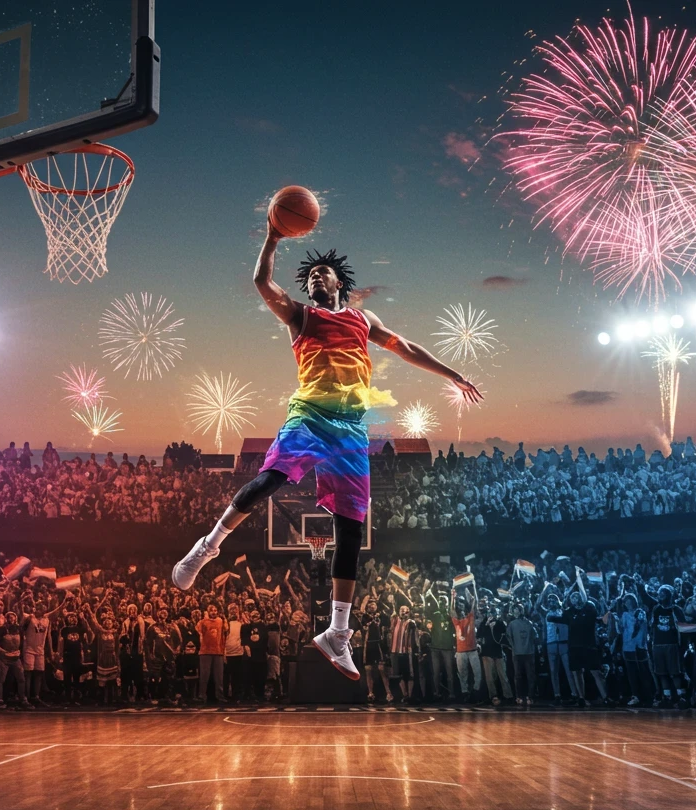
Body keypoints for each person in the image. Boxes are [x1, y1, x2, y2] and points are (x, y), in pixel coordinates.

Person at [171, 224, 482, 683]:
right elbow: (262, 283)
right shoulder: (300, 316)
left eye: (323, 273)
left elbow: (405, 346)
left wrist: (451, 373)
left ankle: (338, 633)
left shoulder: (363, 320)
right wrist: (274, 238)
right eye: (311, 274)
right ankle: (207, 547)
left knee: (351, 527)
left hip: (352, 431)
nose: (316, 277)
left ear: (340, 283)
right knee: (270, 479)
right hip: (311, 416)